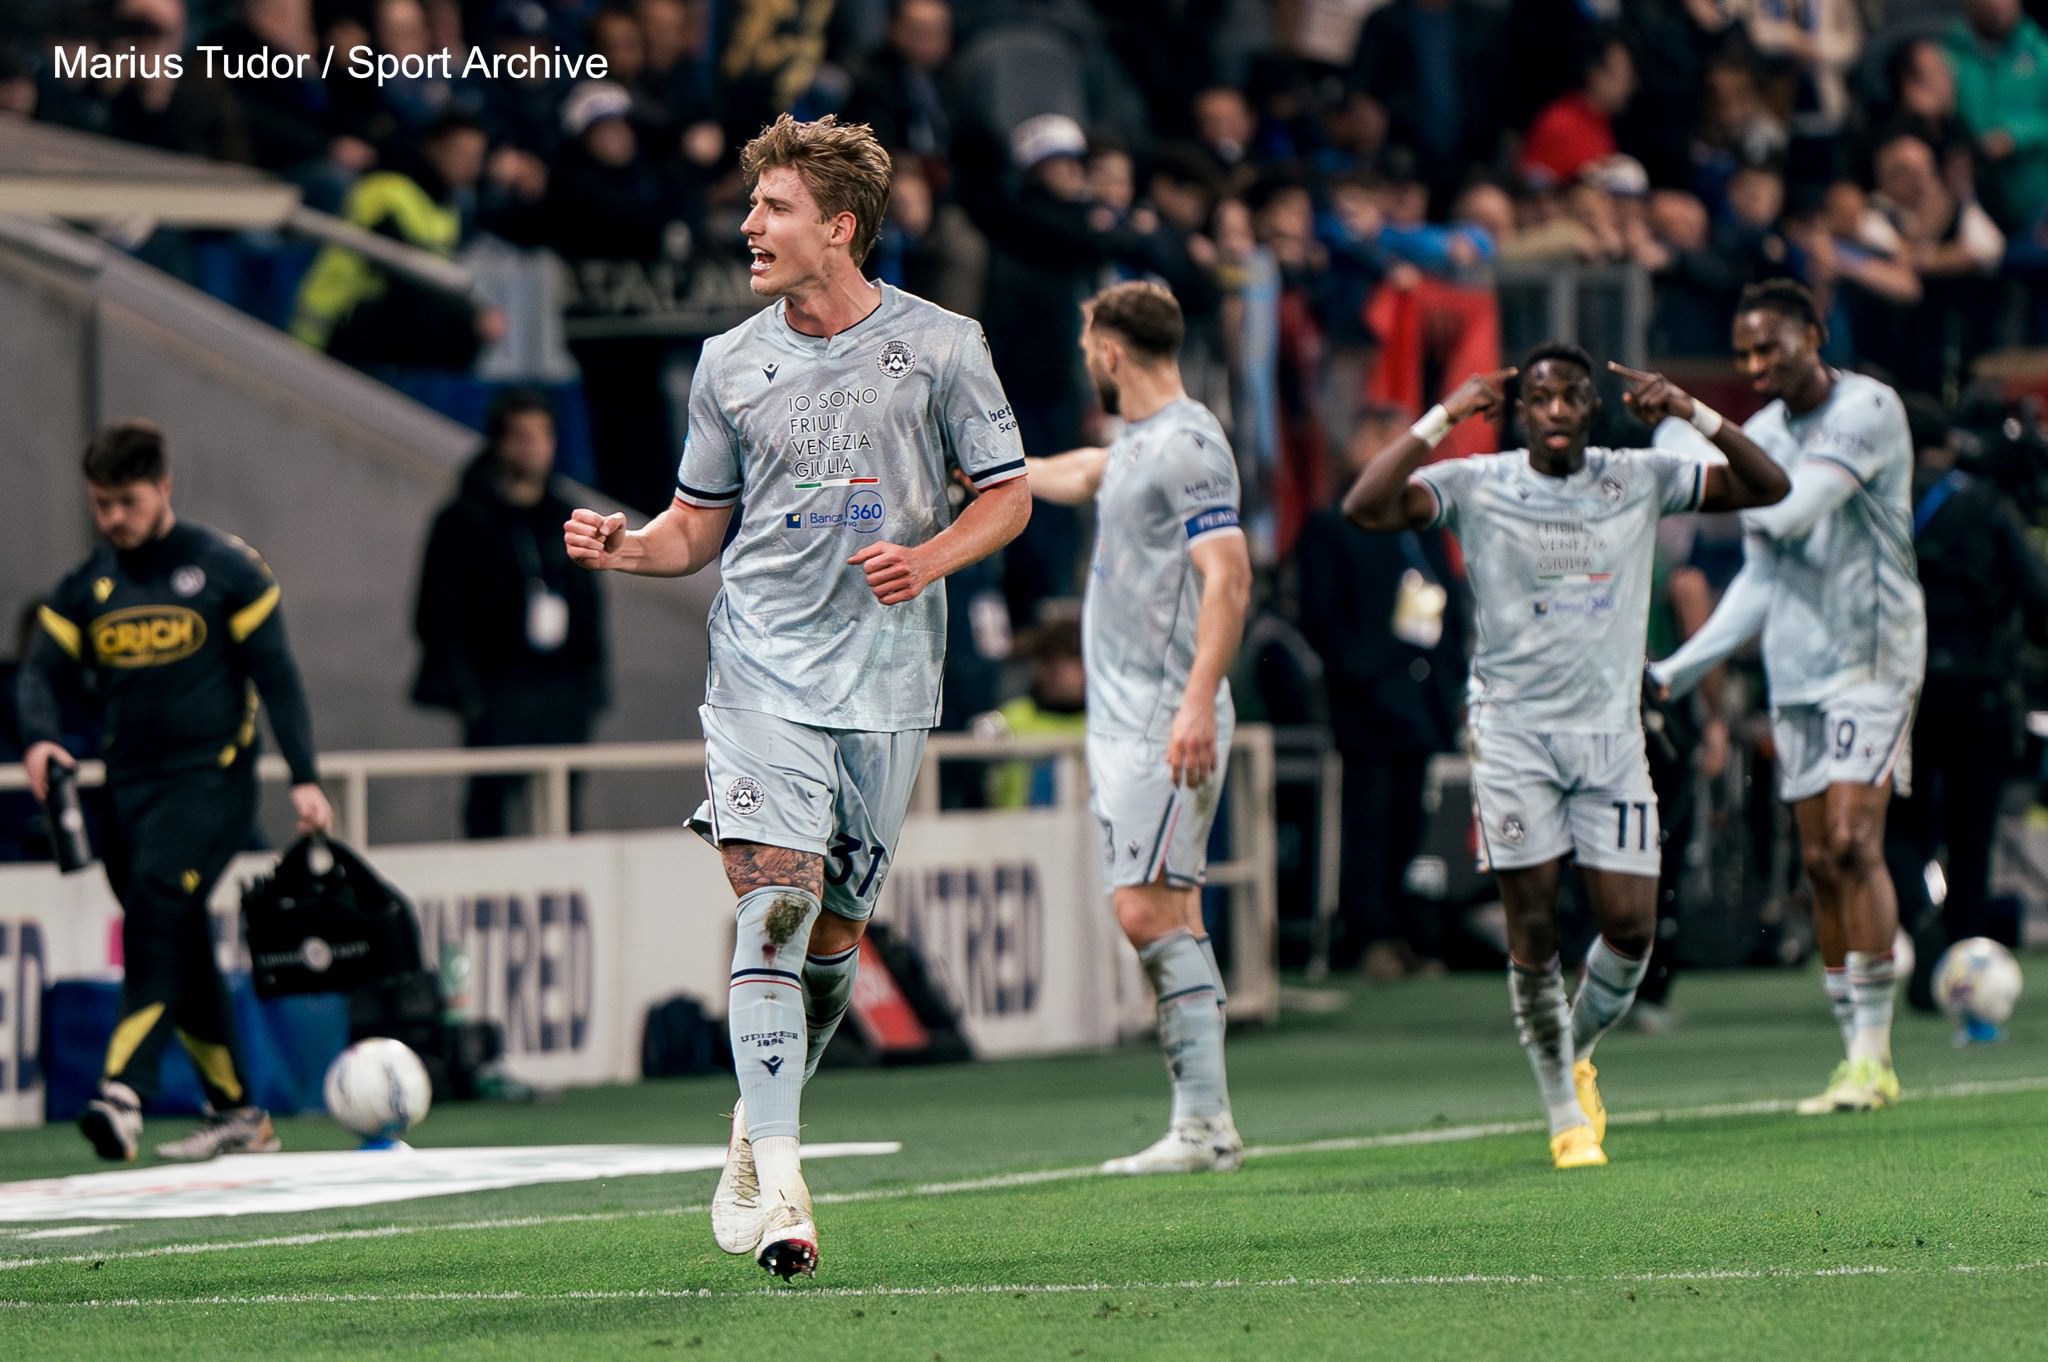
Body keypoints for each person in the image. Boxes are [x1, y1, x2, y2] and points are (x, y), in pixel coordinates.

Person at [563, 114, 1030, 1279]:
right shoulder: (726, 361)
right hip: (761, 673)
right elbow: (694, 533)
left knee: (832, 942)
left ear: (841, 226)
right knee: (772, 903)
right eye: (751, 207)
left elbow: (1008, 498)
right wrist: (630, 548)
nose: (747, 228)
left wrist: (927, 559)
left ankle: (748, 1128)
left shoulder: (942, 346)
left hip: (887, 684)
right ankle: (784, 1184)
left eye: (771, 210)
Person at [1341, 344, 1788, 1168]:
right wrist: (1446, 414)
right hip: (1514, 735)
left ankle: (1573, 1048)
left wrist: (1689, 410)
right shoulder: (1481, 483)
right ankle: (1562, 1113)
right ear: (1518, 412)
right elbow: (1365, 504)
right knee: (1535, 927)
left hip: (1613, 737)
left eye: (1569, 397)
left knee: (1629, 931)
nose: (1553, 409)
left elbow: (1768, 487)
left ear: (1592, 408)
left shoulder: (1636, 477)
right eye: (1538, 397)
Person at [15, 420, 335, 1163]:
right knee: (178, 938)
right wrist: (38, 737)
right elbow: (38, 674)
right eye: (100, 505)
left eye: (125, 502)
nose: (112, 520)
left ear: (163, 487)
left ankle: (122, 1091)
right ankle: (241, 1116)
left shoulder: (226, 568)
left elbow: (278, 678)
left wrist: (306, 777)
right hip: (127, 794)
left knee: (160, 906)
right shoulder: (90, 585)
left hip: (212, 785)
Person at [1650, 280, 1927, 1116]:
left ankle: (1877, 1054)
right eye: (1743, 354)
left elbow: (1798, 507)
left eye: (1770, 346)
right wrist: (1678, 671)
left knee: (1850, 839)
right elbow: (1762, 583)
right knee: (1816, 861)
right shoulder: (1762, 435)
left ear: (1814, 334)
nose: (1756, 365)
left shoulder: (1867, 409)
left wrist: (1699, 429)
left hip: (1875, 658)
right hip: (1797, 669)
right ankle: (1853, 1055)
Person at [1022, 280, 1254, 1176]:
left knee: (1144, 905)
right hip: (1132, 716)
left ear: (1110, 350)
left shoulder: (1191, 445)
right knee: (1167, 906)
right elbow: (1085, 471)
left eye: (1090, 346)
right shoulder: (1141, 444)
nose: (1088, 359)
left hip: (1165, 714)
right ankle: (1204, 1123)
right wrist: (995, 472)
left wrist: (1199, 699)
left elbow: (1227, 575)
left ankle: (1203, 1125)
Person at [1294, 401, 1465, 978]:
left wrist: (1450, 684)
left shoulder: (1424, 529)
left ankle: (1408, 931)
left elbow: (1451, 607)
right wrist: (1365, 669)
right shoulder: (1332, 526)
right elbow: (1323, 620)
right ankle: (1369, 935)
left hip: (1421, 704)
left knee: (1411, 824)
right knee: (1367, 822)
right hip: (1367, 704)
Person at [413, 392, 608, 838]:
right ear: (499, 443)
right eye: (521, 437)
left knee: (561, 814)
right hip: (497, 688)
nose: (533, 448)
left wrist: (590, 685)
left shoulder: (567, 516)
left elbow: (589, 605)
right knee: (492, 813)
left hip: (562, 691)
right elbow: (436, 614)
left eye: (542, 437)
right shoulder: (463, 520)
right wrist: (471, 695)